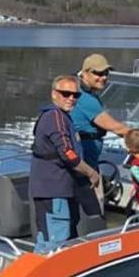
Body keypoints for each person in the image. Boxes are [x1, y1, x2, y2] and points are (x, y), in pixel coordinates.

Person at [29, 75, 102, 252]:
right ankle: (47, 276)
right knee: (56, 242)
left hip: (51, 187)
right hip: (53, 190)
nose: (71, 98)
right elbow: (68, 154)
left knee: (46, 237)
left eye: (75, 95)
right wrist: (91, 173)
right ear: (54, 94)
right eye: (65, 93)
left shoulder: (58, 116)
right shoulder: (56, 117)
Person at [70, 53, 139, 167]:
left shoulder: (82, 91)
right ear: (85, 73)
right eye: (98, 73)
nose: (104, 77)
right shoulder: (85, 98)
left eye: (106, 73)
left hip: (87, 158)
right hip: (82, 161)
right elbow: (117, 128)